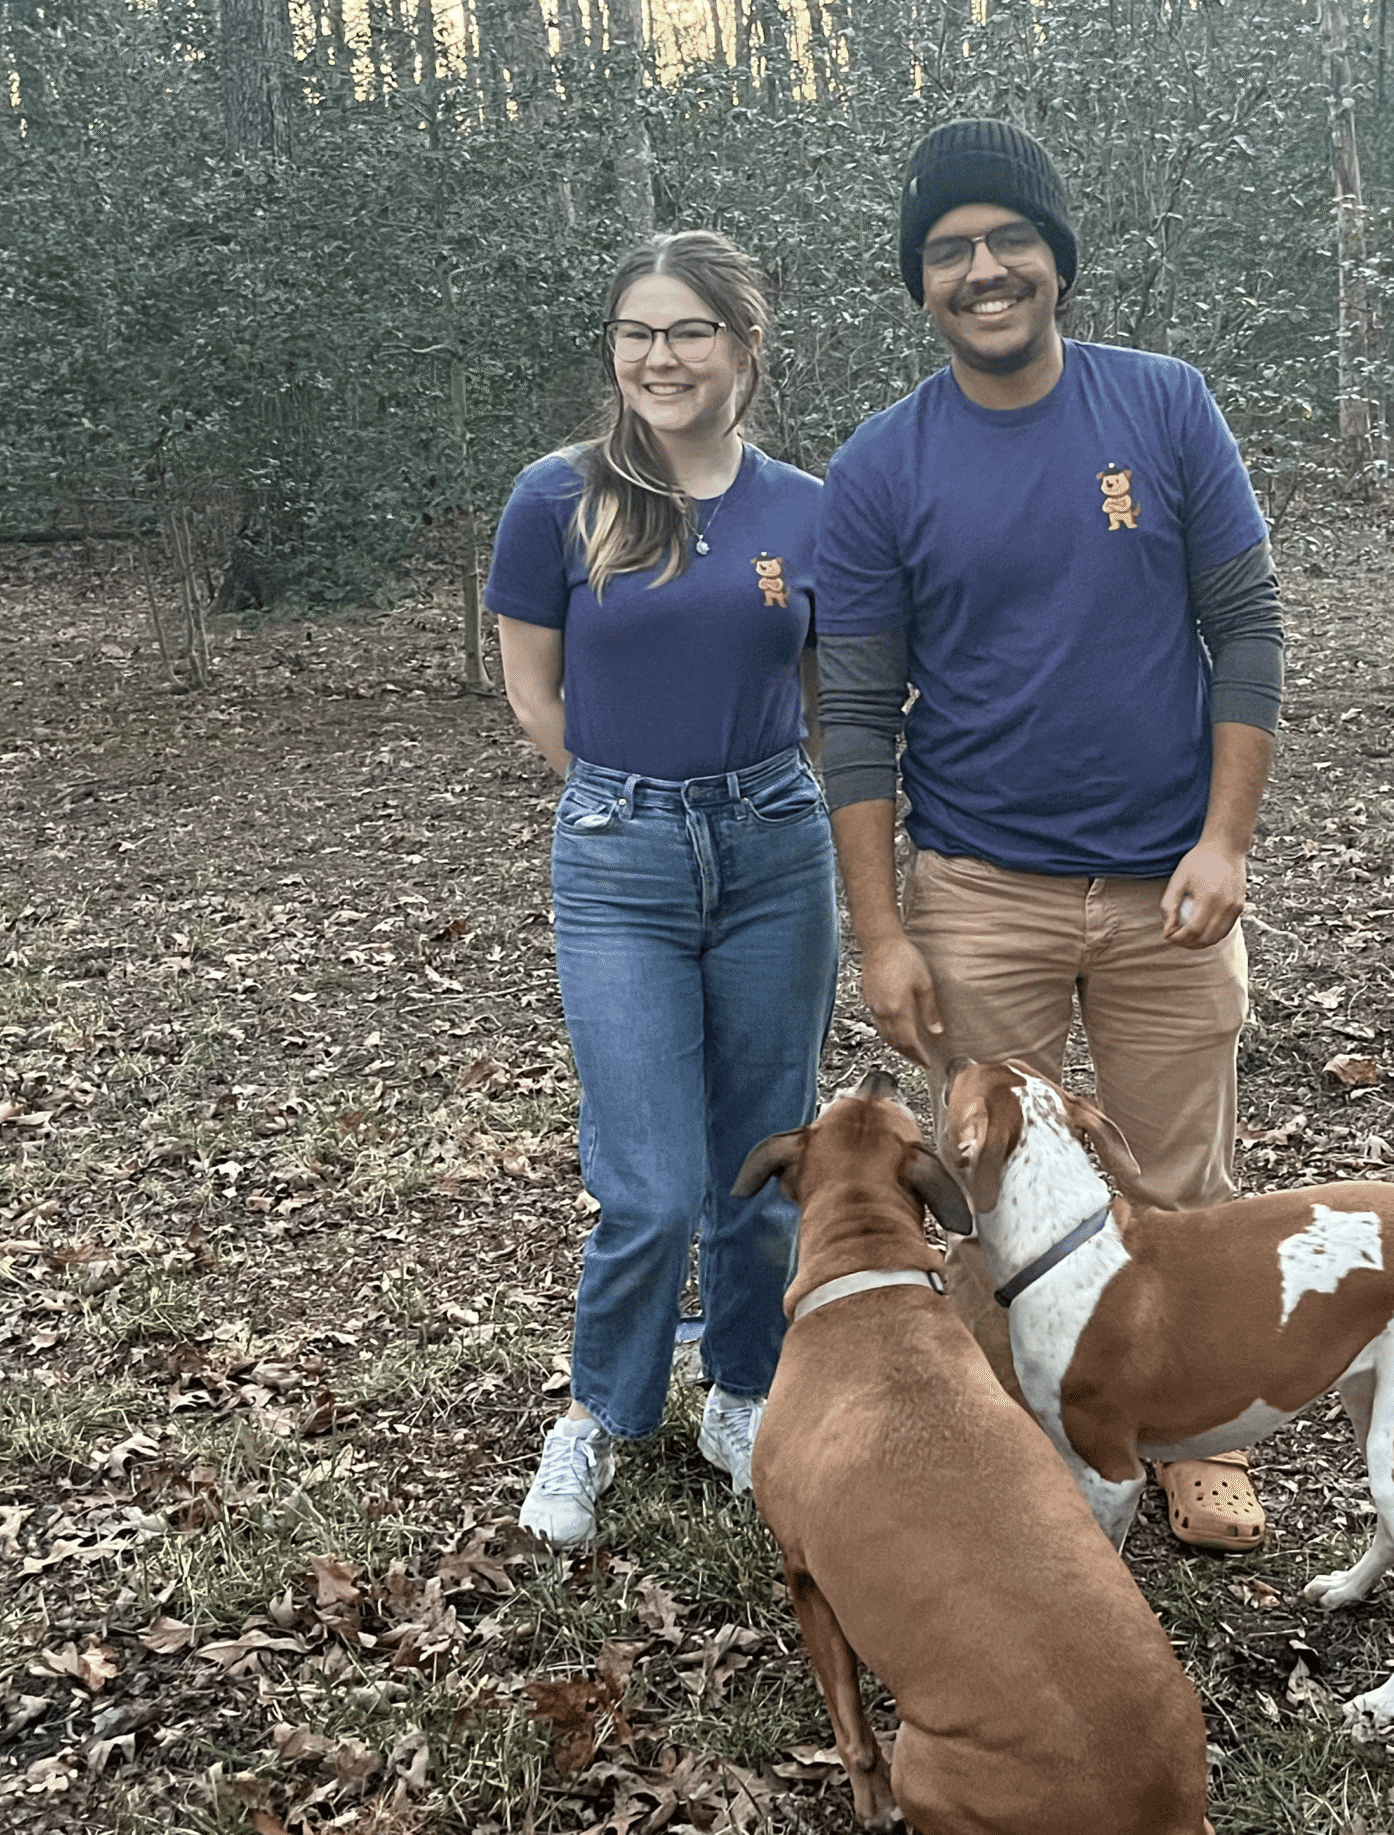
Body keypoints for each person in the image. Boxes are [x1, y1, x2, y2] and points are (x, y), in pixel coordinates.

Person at [812, 121, 1286, 1553]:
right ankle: (1013, 1447)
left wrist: (1226, 842)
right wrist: (884, 930)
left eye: (1008, 240)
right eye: (949, 250)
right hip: (977, 890)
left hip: (1168, 891)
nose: (984, 269)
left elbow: (1245, 626)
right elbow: (853, 705)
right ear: (922, 283)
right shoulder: (883, 466)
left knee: (1179, 1182)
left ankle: (1192, 1436)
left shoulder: (1164, 408)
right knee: (992, 1193)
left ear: (1056, 260)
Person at [484, 230, 836, 1549]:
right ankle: (600, 1417)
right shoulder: (557, 498)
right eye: (639, 332)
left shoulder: (808, 507)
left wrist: (743, 787)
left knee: (760, 1157)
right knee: (649, 1184)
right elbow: (533, 687)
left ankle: (745, 1391)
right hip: (620, 856)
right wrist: (630, 792)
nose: (661, 356)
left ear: (745, 347)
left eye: (690, 330)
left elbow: (821, 685)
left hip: (774, 852)